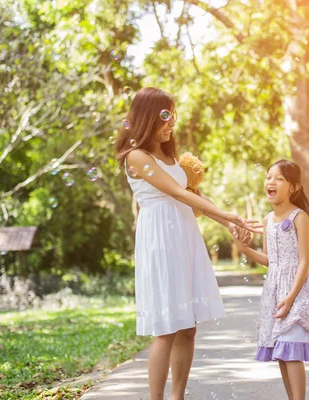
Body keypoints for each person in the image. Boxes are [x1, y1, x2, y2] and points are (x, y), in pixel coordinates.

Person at [115, 87, 259, 399]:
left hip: (184, 235)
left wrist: (231, 223)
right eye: (165, 116)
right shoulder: (137, 157)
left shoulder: (171, 157)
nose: (171, 123)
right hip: (161, 240)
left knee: (189, 326)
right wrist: (228, 214)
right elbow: (177, 193)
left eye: (172, 116)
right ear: (147, 118)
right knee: (166, 327)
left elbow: (192, 194)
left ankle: (178, 397)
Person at [234, 159, 309, 400]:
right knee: (281, 351)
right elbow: (270, 260)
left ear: (293, 188)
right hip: (275, 291)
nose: (271, 182)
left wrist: (290, 298)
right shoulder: (268, 220)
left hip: (298, 290)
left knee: (291, 349)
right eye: (269, 177)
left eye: (279, 178)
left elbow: (304, 261)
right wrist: (244, 249)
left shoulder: (300, 217)